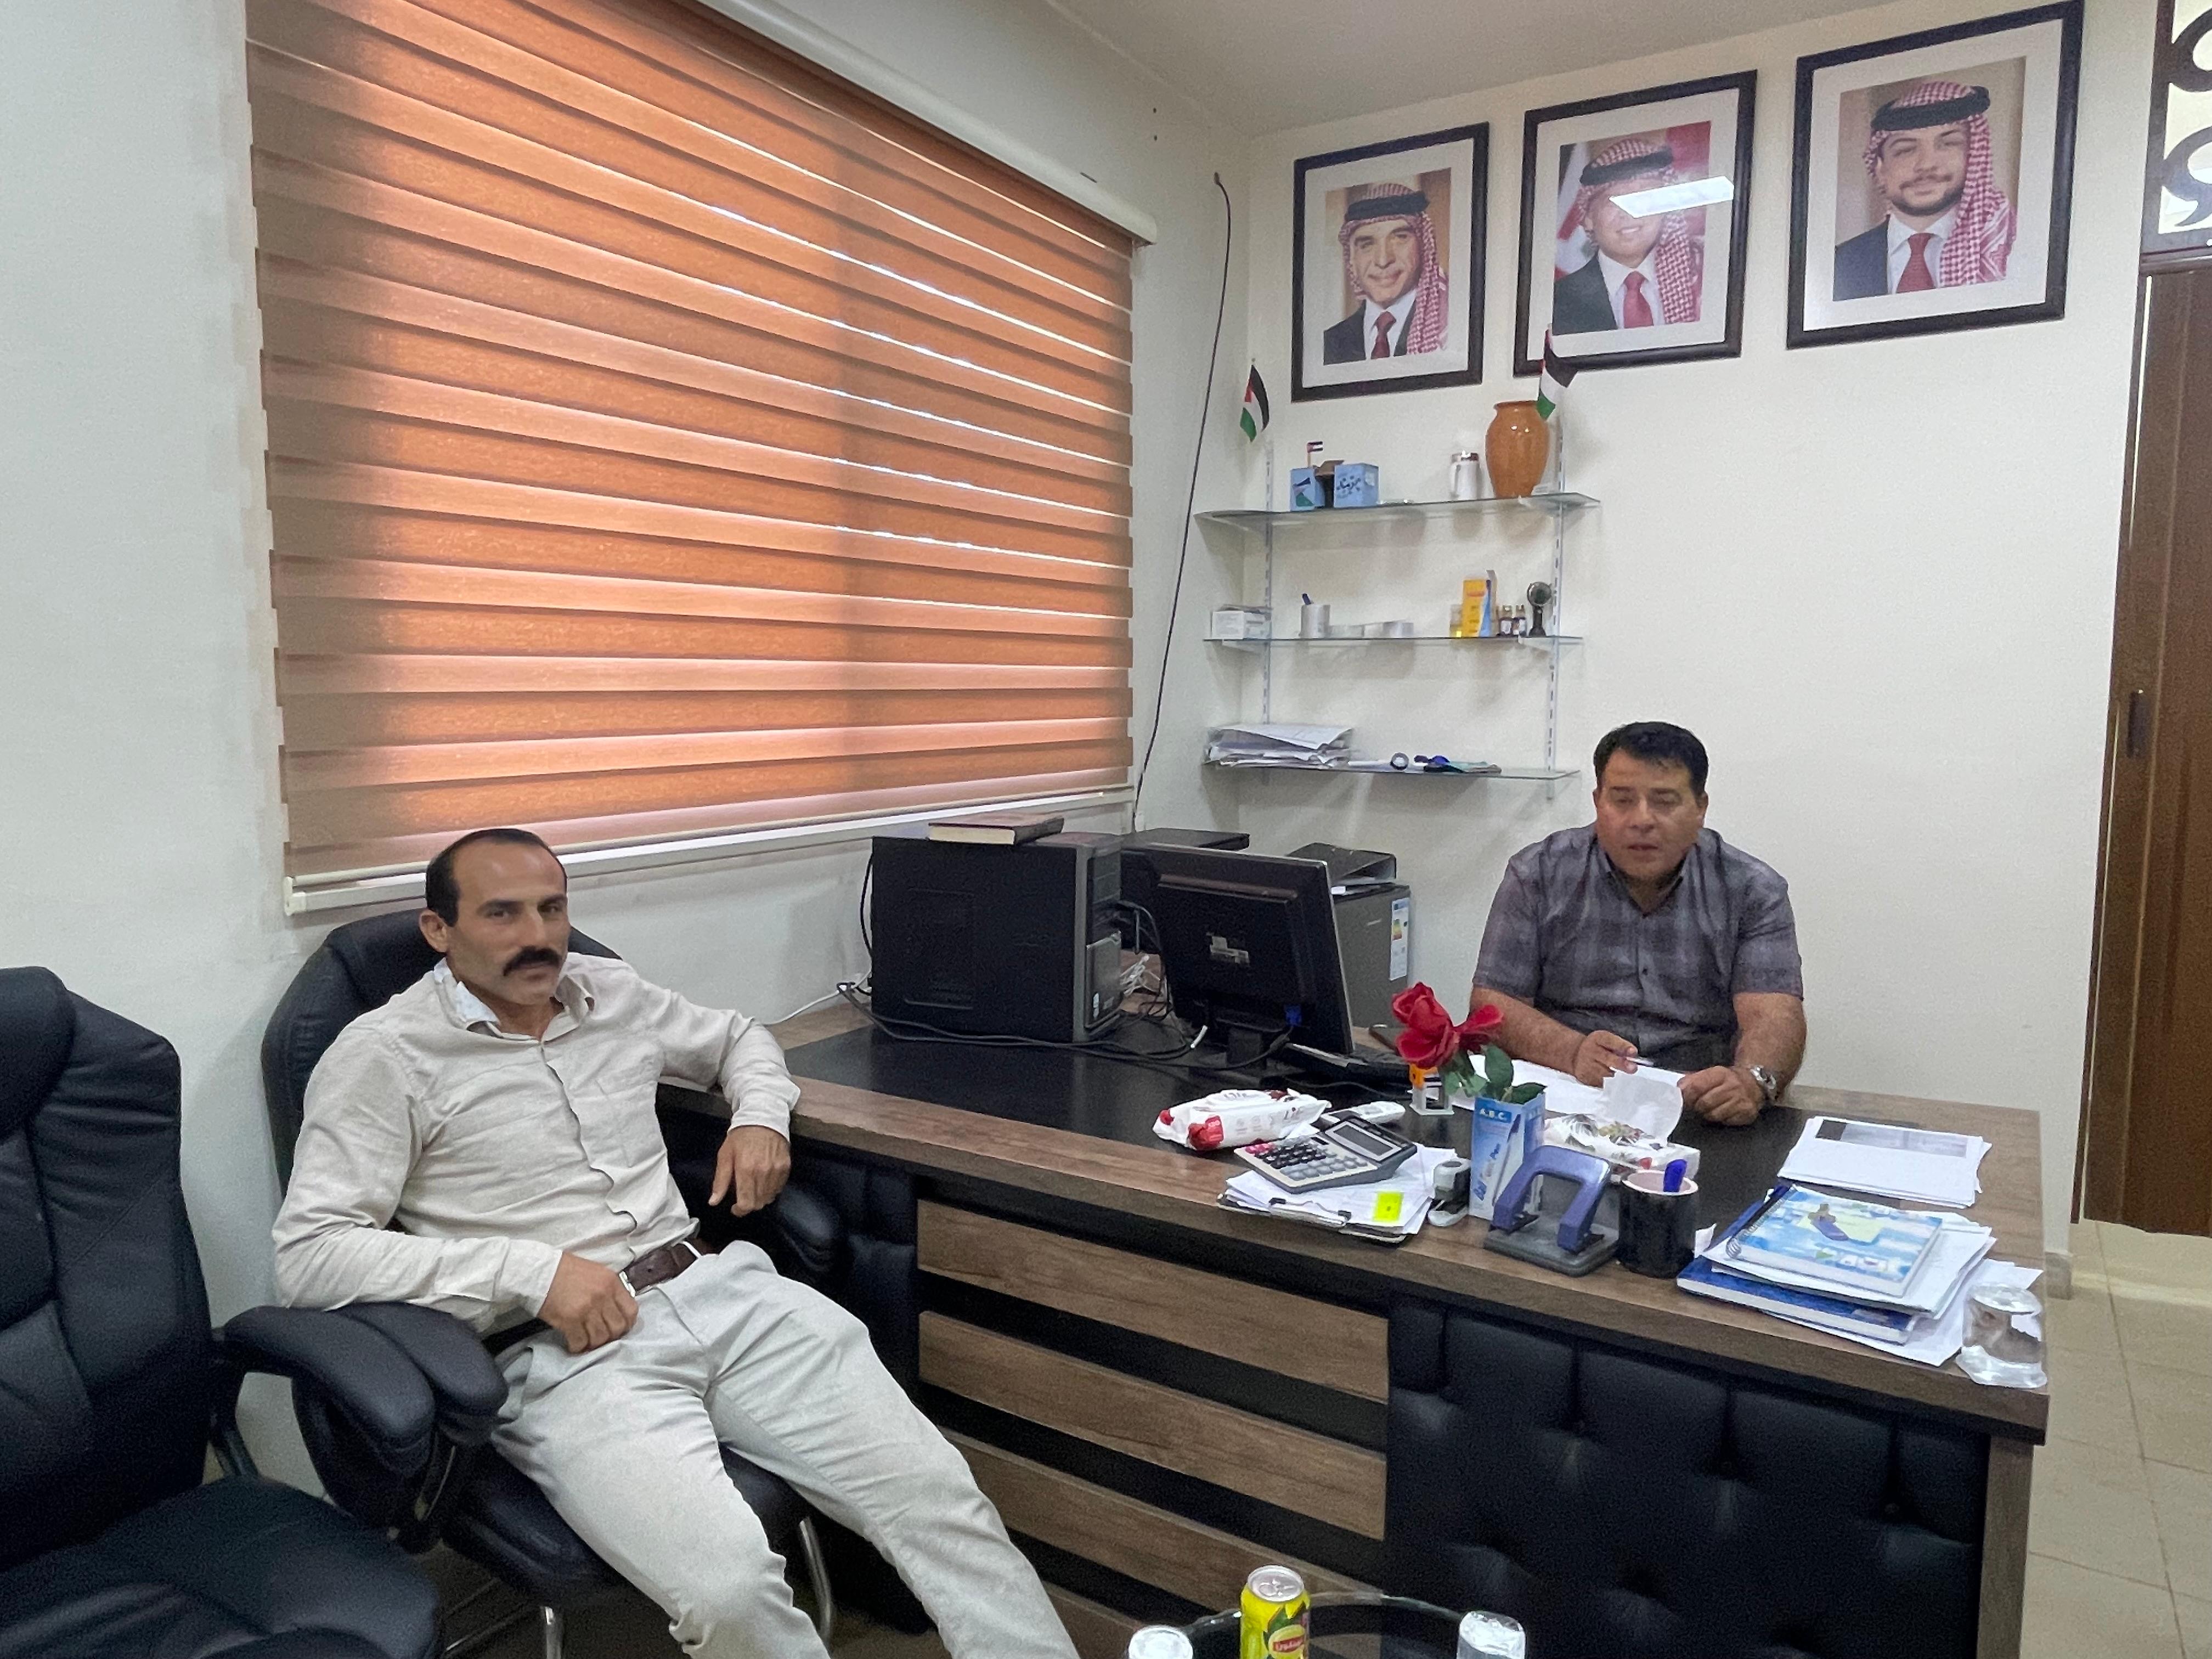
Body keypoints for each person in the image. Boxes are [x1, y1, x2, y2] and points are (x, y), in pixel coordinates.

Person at [274, 828, 1075, 1659]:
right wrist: (530, 1272)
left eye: (552, 909)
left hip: (720, 1292)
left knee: (941, 1502)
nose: (538, 936)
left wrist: (760, 1118)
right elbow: (310, 1255)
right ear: (439, 930)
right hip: (569, 1356)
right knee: (729, 1592)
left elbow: (739, 1038)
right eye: (502, 914)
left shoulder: (609, 992)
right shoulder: (383, 1057)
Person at [1470, 723, 1805, 1126]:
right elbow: (1494, 1003)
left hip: (1696, 1100)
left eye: (1664, 801)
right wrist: (1572, 1051)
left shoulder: (1752, 889)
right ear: (1598, 801)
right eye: (1622, 800)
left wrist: (1751, 1080)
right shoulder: (1538, 872)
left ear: (1700, 807)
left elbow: (1774, 1015)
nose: (1641, 820)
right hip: (1570, 1090)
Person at [1834, 80, 2016, 300]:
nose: (1926, 164)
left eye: (1947, 144)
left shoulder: (2011, 248)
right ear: (1880, 169)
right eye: (1906, 150)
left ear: (1974, 157)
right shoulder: (1839, 264)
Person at [1551, 137, 1704, 336]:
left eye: (1644, 198)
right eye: (1614, 200)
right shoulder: (1558, 301)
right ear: (1588, 217)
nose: (1630, 212)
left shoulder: (1702, 281)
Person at [1320, 178, 1451, 364]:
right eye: (1367, 245)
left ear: (1423, 245)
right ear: (1352, 260)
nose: (1383, 260)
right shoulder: (1329, 343)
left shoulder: (1450, 326)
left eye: (1400, 238)